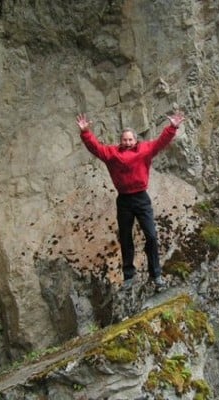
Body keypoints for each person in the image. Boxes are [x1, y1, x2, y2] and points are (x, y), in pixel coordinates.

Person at [76, 111, 185, 290]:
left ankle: (156, 275)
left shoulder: (145, 150)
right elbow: (95, 148)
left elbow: (161, 142)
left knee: (151, 236)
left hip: (141, 198)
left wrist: (172, 127)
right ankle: (128, 276)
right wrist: (85, 132)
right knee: (126, 238)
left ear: (136, 140)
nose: (127, 143)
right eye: (125, 140)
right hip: (124, 200)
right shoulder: (112, 154)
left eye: (130, 140)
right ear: (121, 141)